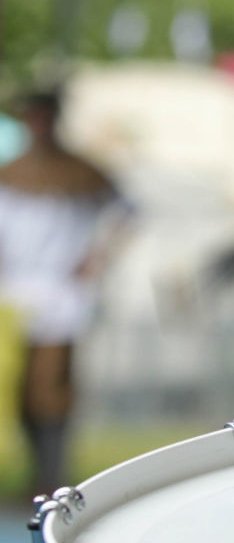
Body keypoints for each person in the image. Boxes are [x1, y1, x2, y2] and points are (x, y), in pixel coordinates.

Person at [0, 88, 128, 493]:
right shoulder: (11, 172)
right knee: (19, 390)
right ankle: (36, 470)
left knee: (50, 389)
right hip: (15, 292)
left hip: (60, 296)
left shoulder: (81, 173)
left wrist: (97, 256)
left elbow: (126, 211)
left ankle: (50, 475)